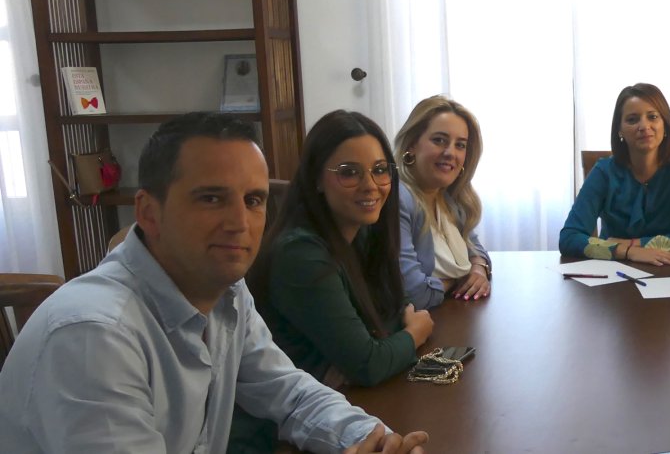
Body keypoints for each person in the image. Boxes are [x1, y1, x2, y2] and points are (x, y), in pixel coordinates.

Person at [0, 112, 428, 453]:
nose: (240, 223)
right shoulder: (94, 335)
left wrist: (373, 438)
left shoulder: (226, 291)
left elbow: (290, 393)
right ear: (149, 213)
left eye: (254, 200)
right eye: (211, 198)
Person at [230, 111, 435, 451]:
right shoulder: (300, 253)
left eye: (380, 170)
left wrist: (377, 345)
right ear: (316, 179)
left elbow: (389, 314)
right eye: (349, 173)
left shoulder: (363, 231)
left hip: (333, 409)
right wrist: (414, 333)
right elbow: (368, 362)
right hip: (280, 433)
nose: (371, 185)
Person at [560, 82, 670, 265]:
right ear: (620, 131)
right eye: (632, 119)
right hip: (613, 277)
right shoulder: (604, 172)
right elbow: (569, 238)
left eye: (653, 117)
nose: (644, 126)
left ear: (665, 125)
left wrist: (636, 244)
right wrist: (628, 252)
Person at [394, 95, 491, 309]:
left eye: (460, 145)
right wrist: (455, 280)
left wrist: (477, 268)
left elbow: (476, 248)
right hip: (417, 330)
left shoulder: (449, 197)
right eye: (439, 140)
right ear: (411, 145)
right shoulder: (398, 198)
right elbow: (414, 295)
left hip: (453, 317)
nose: (450, 153)